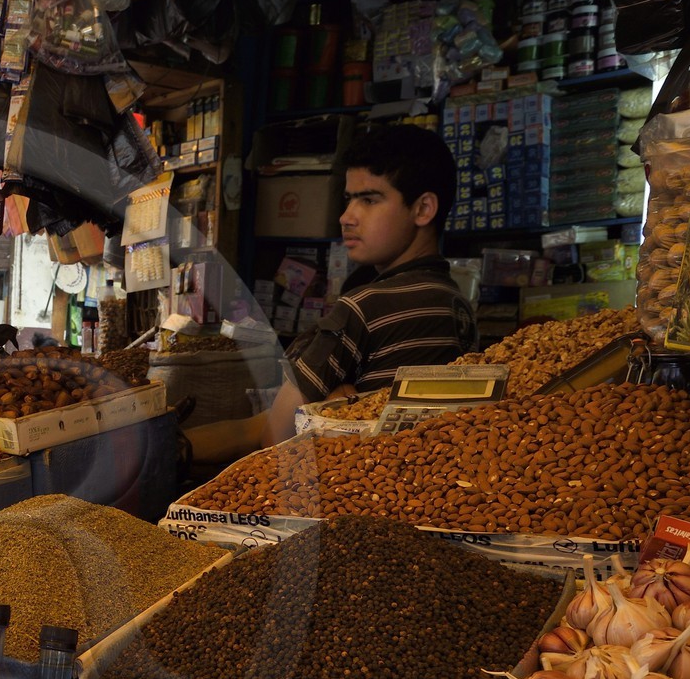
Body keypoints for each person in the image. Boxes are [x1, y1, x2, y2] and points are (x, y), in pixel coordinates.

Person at [186, 124, 478, 464]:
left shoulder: (365, 308)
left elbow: (272, 437)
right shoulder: (457, 303)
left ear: (423, 209)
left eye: (369, 199)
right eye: (348, 199)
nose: (346, 217)